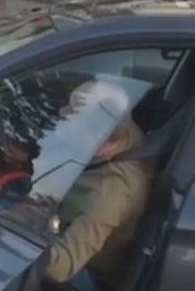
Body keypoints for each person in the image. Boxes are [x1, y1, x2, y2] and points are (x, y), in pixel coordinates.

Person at [44, 80, 152, 291]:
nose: (62, 117)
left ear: (99, 139)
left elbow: (63, 266)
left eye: (71, 122)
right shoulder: (124, 132)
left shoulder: (112, 190)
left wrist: (9, 242)